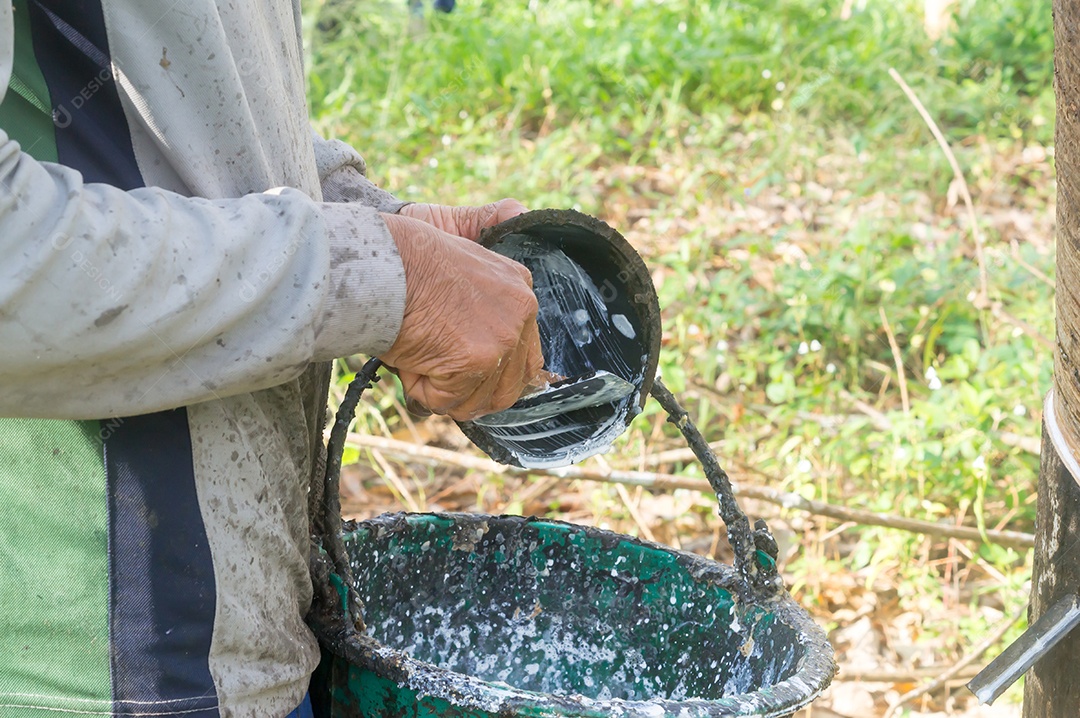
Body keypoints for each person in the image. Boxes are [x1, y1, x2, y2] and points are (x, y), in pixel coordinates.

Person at [0, 1, 544, 716]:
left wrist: (366, 215)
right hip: (103, 660)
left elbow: (183, 95)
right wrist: (376, 275)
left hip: (251, 629)